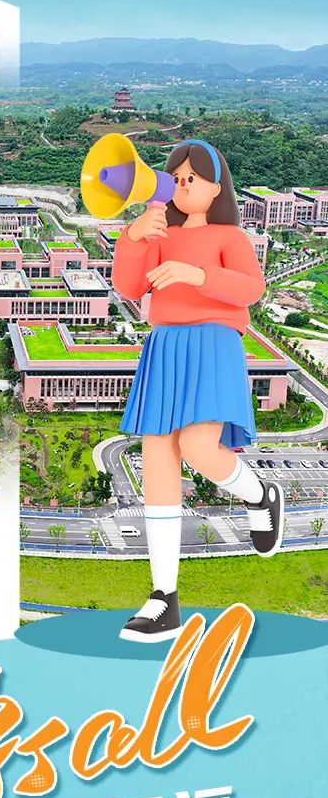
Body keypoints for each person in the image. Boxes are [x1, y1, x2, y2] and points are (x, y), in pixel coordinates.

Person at [112, 139, 283, 643]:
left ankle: (260, 495)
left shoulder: (230, 235)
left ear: (216, 188)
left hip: (213, 342)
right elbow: (129, 287)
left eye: (192, 178)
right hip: (165, 344)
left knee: (197, 446)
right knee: (157, 459)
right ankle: (164, 596)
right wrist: (133, 237)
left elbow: (251, 288)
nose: (182, 186)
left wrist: (198, 274)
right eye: (176, 178)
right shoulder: (158, 233)